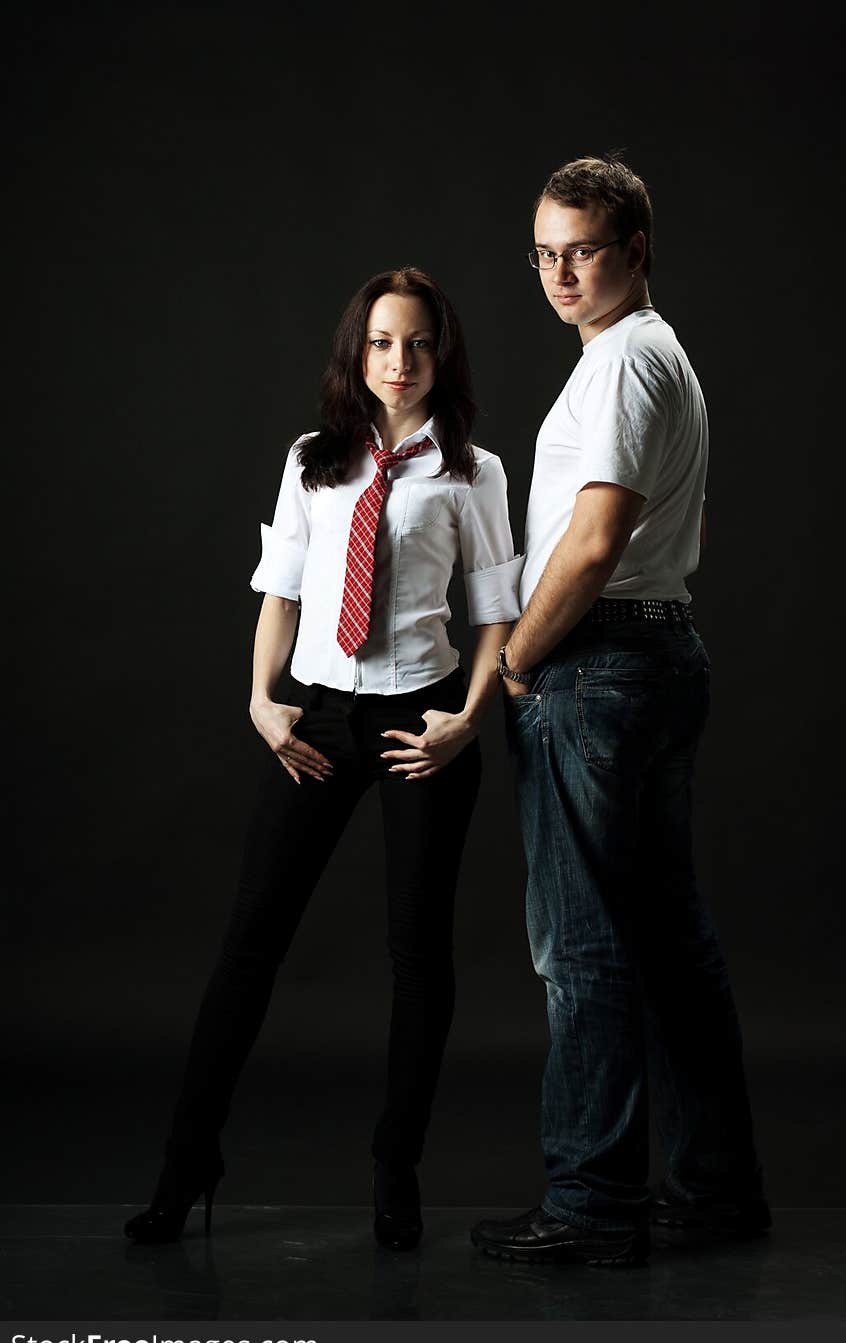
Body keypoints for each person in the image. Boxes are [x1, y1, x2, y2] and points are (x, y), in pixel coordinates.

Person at [124, 267, 522, 1251]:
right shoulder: (313, 459)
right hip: (320, 721)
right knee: (249, 945)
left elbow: (494, 615)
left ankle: (397, 1167)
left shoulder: (474, 471)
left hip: (421, 722)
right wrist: (262, 700)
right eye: (382, 343)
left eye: (419, 343)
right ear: (358, 351)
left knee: (417, 952)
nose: (399, 362)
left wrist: (469, 717)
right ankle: (186, 1163)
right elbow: (283, 591)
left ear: (444, 353)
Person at [470, 156, 770, 1266]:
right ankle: (712, 1190)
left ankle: (593, 1203)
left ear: (634, 249)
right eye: (543, 251)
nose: (557, 271)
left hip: (599, 666)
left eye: (580, 249)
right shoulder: (630, 355)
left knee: (582, 945)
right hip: (642, 662)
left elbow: (594, 540)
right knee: (665, 939)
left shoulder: (627, 363)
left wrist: (517, 663)